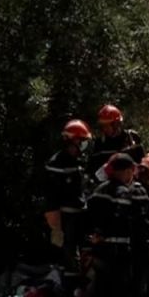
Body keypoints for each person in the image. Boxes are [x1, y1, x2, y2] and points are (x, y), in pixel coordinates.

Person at [85, 153, 149, 297]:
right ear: (126, 171)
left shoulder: (99, 190)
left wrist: (95, 237)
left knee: (101, 291)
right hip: (119, 252)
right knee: (117, 295)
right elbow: (133, 222)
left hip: (99, 251)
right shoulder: (123, 193)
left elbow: (87, 216)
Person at [45, 120, 93, 280]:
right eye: (81, 141)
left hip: (79, 215)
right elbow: (51, 195)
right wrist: (55, 226)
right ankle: (70, 289)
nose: (83, 145)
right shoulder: (57, 162)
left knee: (81, 252)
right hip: (66, 218)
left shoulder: (76, 161)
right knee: (68, 253)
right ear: (73, 141)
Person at [88, 104, 144, 174]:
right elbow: (93, 167)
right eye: (103, 126)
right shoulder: (100, 143)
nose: (105, 129)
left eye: (107, 125)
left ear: (116, 124)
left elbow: (141, 162)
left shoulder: (131, 137)